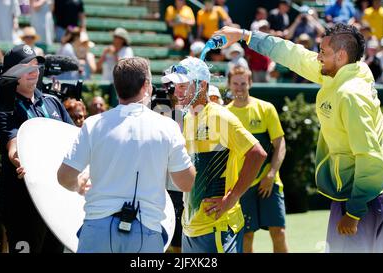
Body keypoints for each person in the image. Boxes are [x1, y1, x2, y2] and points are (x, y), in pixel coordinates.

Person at [215, 22, 383, 253]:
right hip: (360, 195)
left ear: (341, 55)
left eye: (323, 53)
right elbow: (294, 55)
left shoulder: (350, 95)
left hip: (360, 199)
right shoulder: (346, 70)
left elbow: (370, 157)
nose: (317, 57)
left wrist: (354, 212)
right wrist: (244, 35)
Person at [58, 57, 196, 253]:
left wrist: (77, 185)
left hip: (97, 228)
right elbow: (186, 183)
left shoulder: (93, 124)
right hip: (146, 231)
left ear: (116, 87)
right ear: (146, 85)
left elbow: (64, 177)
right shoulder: (168, 127)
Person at [162, 57, 267, 253]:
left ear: (202, 85)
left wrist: (232, 197)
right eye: (176, 86)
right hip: (191, 228)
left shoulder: (219, 115)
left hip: (217, 227)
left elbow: (257, 153)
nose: (177, 91)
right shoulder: (188, 118)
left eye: (183, 85)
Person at [0, 44, 74, 253]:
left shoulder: (53, 102)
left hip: (55, 203)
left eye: (36, 65)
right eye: (26, 67)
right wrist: (19, 158)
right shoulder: (4, 109)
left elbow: (74, 141)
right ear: (11, 74)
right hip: (22, 206)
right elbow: (13, 144)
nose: (34, 71)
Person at [226, 65, 288, 253]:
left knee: (279, 232)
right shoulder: (225, 114)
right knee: (246, 236)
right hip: (240, 185)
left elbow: (279, 144)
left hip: (268, 182)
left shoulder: (266, 108)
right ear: (229, 85)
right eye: (235, 84)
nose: (239, 88)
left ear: (250, 83)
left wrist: (271, 174)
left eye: (243, 83)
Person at [96, 27, 134, 108]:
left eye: (117, 37)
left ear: (123, 39)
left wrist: (114, 53)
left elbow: (123, 65)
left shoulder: (127, 50)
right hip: (106, 83)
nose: (115, 39)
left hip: (118, 86)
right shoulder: (109, 49)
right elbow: (97, 67)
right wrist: (104, 54)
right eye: (115, 37)